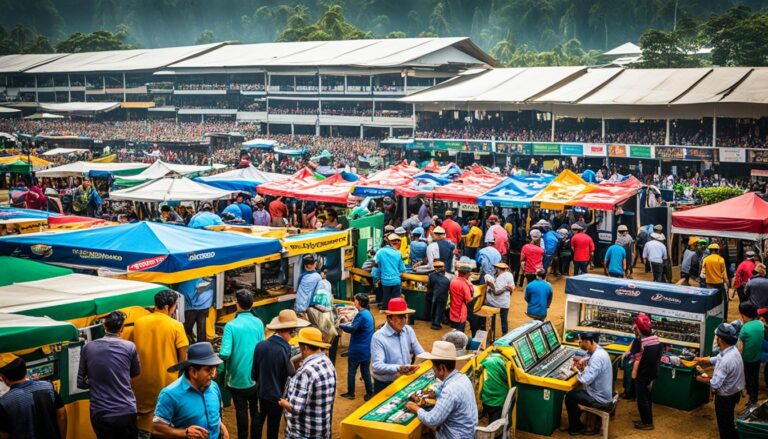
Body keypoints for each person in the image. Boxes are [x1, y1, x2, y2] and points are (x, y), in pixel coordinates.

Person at [130, 290, 189, 429]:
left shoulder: (138, 323)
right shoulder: (176, 325)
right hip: (166, 381)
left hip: (140, 380)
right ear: (168, 307)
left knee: (143, 424)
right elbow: (183, 355)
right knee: (165, 422)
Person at [77, 311, 140, 439]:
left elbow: (80, 383)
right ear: (122, 328)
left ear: (104, 327)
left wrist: (94, 380)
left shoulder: (88, 347)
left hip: (100, 411)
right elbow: (136, 372)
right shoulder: (129, 347)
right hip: (126, 410)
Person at [153, 342, 229, 439]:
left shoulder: (214, 387)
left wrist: (220, 425)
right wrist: (184, 433)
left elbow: (214, 413)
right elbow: (156, 428)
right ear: (193, 372)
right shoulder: (170, 394)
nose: (213, 375)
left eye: (214, 368)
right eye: (208, 369)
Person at [252, 310, 309, 439]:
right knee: (273, 427)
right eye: (292, 332)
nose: (292, 336)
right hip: (277, 396)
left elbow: (254, 373)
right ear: (287, 331)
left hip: (261, 392)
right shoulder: (284, 350)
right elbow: (290, 375)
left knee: (259, 420)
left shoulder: (260, 345)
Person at [404, 341, 477, 439]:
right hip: (468, 432)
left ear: (442, 368)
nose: (434, 373)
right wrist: (436, 395)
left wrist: (416, 409)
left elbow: (432, 420)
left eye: (434, 370)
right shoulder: (462, 377)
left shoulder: (450, 390)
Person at [219, 290, 265, 439]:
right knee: (254, 408)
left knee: (241, 410)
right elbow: (262, 346)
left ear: (237, 304)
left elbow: (225, 353)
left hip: (237, 377)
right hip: (256, 377)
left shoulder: (230, 326)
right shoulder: (258, 322)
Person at [279, 327, 336, 439]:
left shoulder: (305, 372)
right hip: (322, 429)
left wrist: (283, 402)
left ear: (304, 347)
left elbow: (295, 408)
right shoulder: (327, 362)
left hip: (303, 432)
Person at [694, 323, 745, 439]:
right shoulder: (733, 350)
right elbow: (717, 358)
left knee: (724, 426)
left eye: (717, 337)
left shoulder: (725, 361)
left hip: (725, 398)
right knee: (729, 421)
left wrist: (699, 378)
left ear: (720, 340)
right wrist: (701, 359)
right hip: (734, 393)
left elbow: (715, 384)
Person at [0, 354, 67, 439]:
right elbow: (61, 414)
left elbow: (4, 434)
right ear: (25, 370)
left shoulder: (4, 402)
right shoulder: (48, 387)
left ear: (3, 377)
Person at [371, 297, 424, 393]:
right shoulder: (378, 337)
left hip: (404, 380)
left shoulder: (408, 330)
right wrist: (399, 368)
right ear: (390, 318)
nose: (403, 320)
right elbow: (377, 366)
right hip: (386, 384)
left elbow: (420, 353)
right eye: (400, 317)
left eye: (405, 316)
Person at [565, 332, 613, 436]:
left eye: (581, 342)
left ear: (587, 342)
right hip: (602, 393)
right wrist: (584, 366)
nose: (579, 343)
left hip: (599, 399)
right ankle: (578, 421)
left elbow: (585, 380)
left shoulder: (597, 358)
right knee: (576, 393)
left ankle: (575, 428)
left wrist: (575, 369)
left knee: (570, 397)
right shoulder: (598, 351)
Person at [339, 293, 374, 401]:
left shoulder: (361, 315)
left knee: (352, 372)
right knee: (365, 372)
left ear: (358, 302)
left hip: (357, 350)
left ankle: (351, 393)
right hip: (366, 349)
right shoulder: (368, 313)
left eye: (355, 301)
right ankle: (370, 392)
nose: (354, 302)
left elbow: (353, 328)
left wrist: (340, 325)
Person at [631, 313, 662, 431]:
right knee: (647, 398)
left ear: (639, 328)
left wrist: (634, 373)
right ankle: (646, 419)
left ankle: (647, 423)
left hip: (642, 375)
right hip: (651, 374)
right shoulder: (656, 341)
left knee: (642, 399)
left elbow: (637, 359)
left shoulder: (641, 342)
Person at [737, 302, 763, 408]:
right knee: (754, 378)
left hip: (746, 359)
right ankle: (753, 398)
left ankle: (747, 393)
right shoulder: (760, 324)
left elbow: (740, 346)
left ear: (743, 315)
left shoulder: (745, 328)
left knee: (746, 377)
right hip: (757, 358)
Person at [375, 233, 407, 310]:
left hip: (385, 281)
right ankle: (395, 313)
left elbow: (376, 265)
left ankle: (385, 314)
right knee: (396, 300)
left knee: (386, 298)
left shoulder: (380, 252)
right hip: (396, 280)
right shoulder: (398, 253)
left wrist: (377, 277)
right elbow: (403, 269)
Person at [178, 277, 214, 343]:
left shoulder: (186, 281)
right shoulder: (207, 281)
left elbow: (183, 292)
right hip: (203, 307)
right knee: (201, 330)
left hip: (190, 309)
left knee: (187, 330)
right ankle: (201, 348)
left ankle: (191, 346)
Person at [479, 352, 510, 423]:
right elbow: (507, 378)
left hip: (486, 396)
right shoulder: (503, 362)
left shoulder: (484, 360)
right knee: (494, 421)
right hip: (498, 400)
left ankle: (485, 413)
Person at [485, 262, 515, 334]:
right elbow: (512, 289)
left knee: (491, 314)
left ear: (499, 269)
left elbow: (496, 292)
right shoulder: (510, 275)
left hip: (496, 302)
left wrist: (491, 287)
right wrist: (506, 289)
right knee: (504, 319)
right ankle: (504, 334)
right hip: (505, 303)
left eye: (496, 269)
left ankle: (491, 331)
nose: (495, 270)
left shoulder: (502, 277)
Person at [703, 243, 731, 318]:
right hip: (719, 284)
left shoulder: (705, 259)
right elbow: (724, 273)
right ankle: (724, 317)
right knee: (724, 300)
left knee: (709, 300)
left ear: (710, 251)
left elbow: (703, 273)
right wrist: (727, 282)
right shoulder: (721, 259)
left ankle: (708, 316)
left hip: (709, 284)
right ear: (717, 251)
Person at [448, 261, 477, 331]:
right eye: (469, 273)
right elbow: (469, 299)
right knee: (460, 332)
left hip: (453, 308)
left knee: (454, 329)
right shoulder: (464, 284)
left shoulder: (453, 281)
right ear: (467, 273)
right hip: (461, 311)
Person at [428, 260, 451, 330]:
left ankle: (434, 322)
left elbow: (430, 285)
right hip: (443, 296)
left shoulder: (431, 275)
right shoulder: (449, 276)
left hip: (435, 294)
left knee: (435, 308)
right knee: (440, 309)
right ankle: (436, 324)